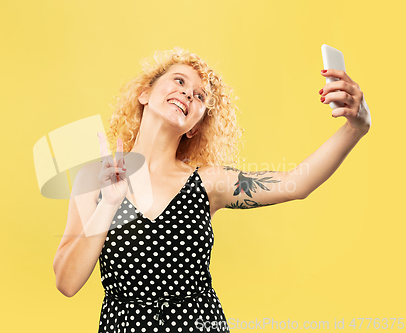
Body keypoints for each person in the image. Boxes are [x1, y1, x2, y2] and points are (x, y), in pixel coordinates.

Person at [53, 47, 371, 332]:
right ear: (145, 94)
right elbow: (66, 282)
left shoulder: (208, 181)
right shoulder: (95, 178)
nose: (189, 94)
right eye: (179, 81)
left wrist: (355, 128)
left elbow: (297, 183)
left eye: (200, 95)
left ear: (194, 127)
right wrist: (109, 203)